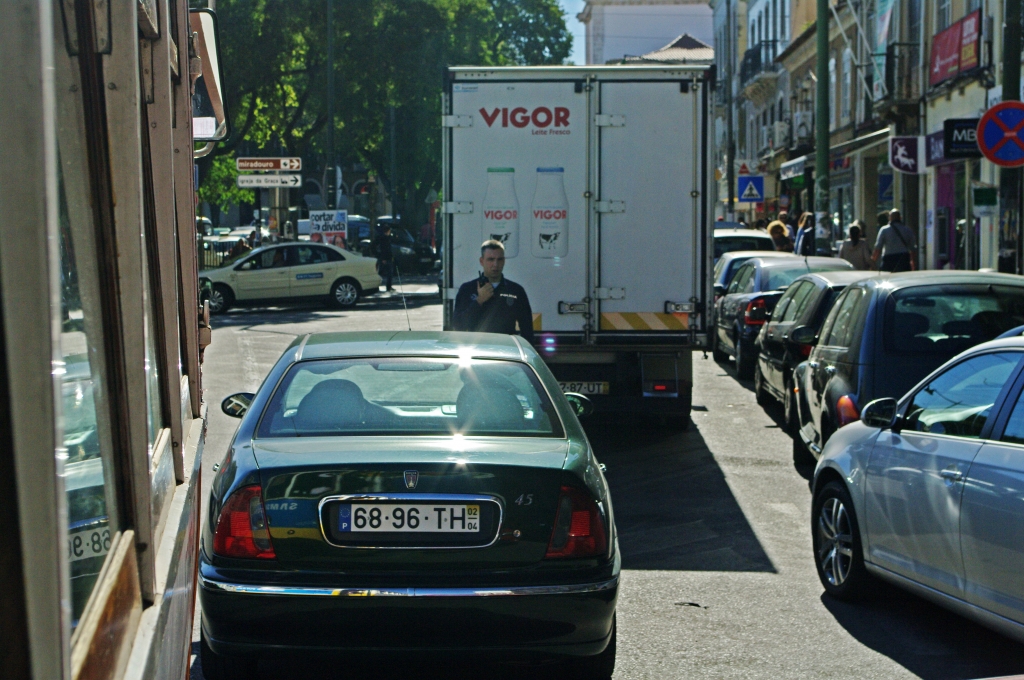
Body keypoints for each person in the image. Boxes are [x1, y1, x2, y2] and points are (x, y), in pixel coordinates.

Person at [453, 240, 535, 343]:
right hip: (477, 351)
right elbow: (458, 325)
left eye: (499, 259)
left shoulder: (515, 290)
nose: (495, 264)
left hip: (505, 351)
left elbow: (527, 330)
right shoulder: (467, 289)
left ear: (504, 261)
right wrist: (479, 301)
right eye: (490, 259)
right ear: (481, 261)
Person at [374, 225, 395, 291]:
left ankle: (385, 287)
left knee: (382, 273)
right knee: (389, 273)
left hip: (385, 257)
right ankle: (388, 287)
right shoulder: (384, 239)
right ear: (388, 231)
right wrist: (383, 258)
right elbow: (385, 249)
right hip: (385, 258)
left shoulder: (383, 238)